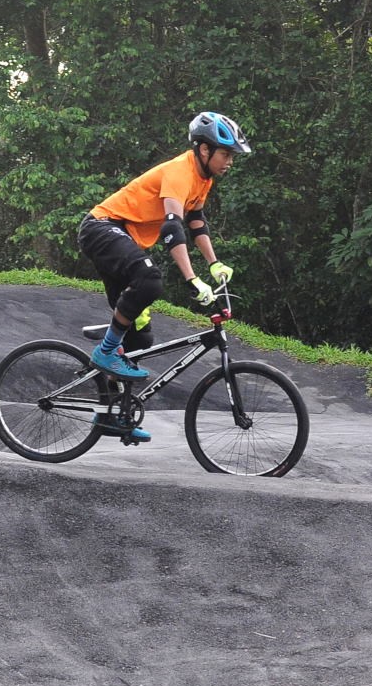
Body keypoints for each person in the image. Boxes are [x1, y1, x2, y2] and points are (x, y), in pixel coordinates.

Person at [77, 111, 250, 440]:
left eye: (231, 156)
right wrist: (192, 279)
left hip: (122, 237)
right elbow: (173, 227)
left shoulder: (204, 180)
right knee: (151, 280)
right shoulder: (178, 173)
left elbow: (196, 221)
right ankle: (106, 349)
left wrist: (214, 264)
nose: (230, 162)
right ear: (204, 150)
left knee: (141, 338)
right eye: (226, 154)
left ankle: (112, 415)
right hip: (102, 228)